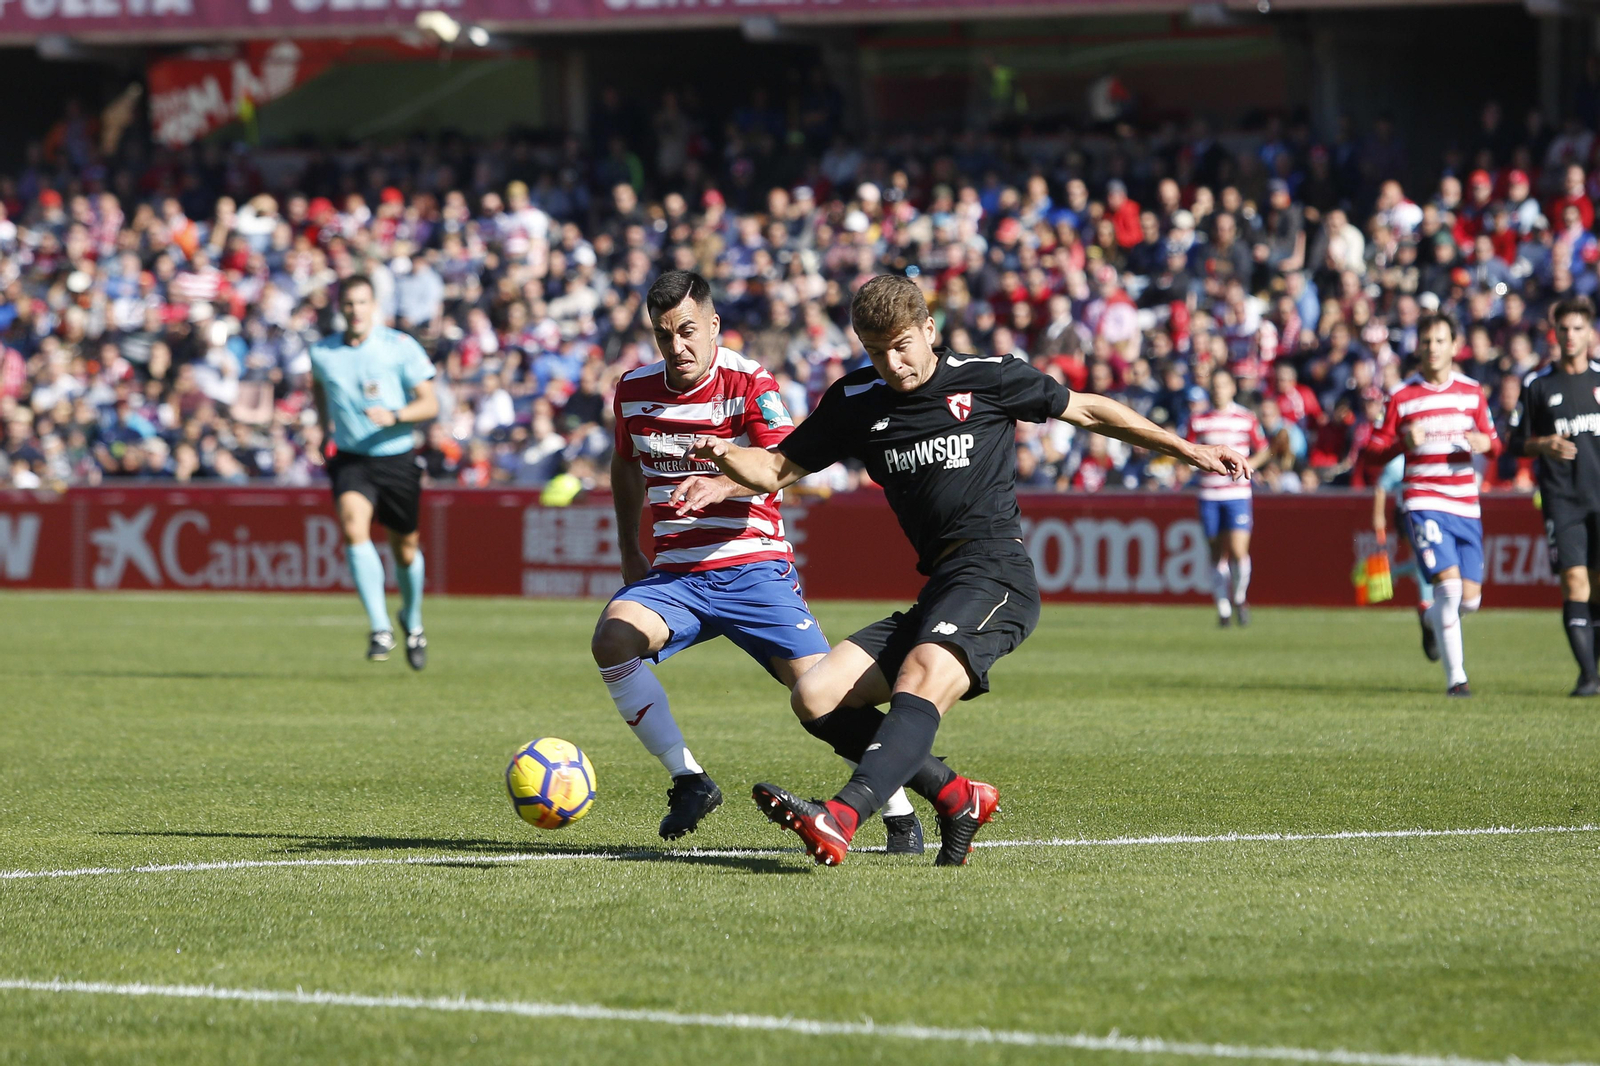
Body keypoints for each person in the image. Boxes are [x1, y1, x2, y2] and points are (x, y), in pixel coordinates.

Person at [691, 274, 1248, 866]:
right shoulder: (854, 400)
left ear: (929, 329)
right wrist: (726, 459)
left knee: (919, 674)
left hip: (996, 573)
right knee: (816, 695)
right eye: (876, 352)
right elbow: (775, 469)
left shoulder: (989, 376)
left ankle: (842, 816)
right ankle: (958, 797)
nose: (892, 364)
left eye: (902, 346)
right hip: (941, 586)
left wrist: (1189, 449)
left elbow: (1088, 410)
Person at [593, 270, 922, 846]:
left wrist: (722, 484)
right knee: (612, 640)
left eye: (688, 331)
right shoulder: (634, 389)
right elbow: (625, 463)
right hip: (676, 576)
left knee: (824, 699)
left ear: (713, 325)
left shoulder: (749, 381)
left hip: (753, 568)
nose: (677, 346)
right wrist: (628, 547)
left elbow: (785, 460)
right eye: (664, 335)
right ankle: (689, 780)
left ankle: (899, 812)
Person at [1365, 314, 1499, 697]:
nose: (1433, 348)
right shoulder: (1401, 395)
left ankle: (1429, 621)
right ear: (1418, 347)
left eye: (1440, 340)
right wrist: (1402, 443)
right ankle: (1457, 680)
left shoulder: (1472, 392)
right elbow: (1372, 451)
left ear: (1455, 346)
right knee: (1450, 589)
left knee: (1470, 601)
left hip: (1466, 503)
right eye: (1426, 341)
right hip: (1423, 500)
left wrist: (1486, 444)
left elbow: (1495, 443)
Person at [308, 275, 438, 667]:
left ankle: (412, 620)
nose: (356, 311)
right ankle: (380, 626)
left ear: (374, 306)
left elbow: (429, 404)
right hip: (351, 458)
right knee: (353, 527)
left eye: (362, 302)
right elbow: (320, 388)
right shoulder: (323, 352)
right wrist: (324, 429)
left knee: (405, 549)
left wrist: (395, 415)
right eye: (349, 304)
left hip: (396, 457)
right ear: (340, 308)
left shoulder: (399, 346)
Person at [1507, 296, 1600, 696]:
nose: (1571, 336)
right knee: (1574, 581)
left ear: (1590, 333)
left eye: (1578, 328)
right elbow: (1514, 441)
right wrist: (1543, 444)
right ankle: (1588, 677)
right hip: (1562, 500)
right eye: (1564, 329)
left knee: (1596, 584)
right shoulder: (1537, 384)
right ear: (1555, 334)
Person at [1186, 368, 1271, 626]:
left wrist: (1247, 465)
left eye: (1223, 385)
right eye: (1214, 385)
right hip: (1209, 494)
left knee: (1238, 550)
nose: (1218, 390)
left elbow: (1263, 450)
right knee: (1215, 552)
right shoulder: (1198, 421)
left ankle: (1239, 597)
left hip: (1237, 494)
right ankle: (1223, 607)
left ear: (1232, 388)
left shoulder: (1246, 418)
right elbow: (1188, 452)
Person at [1372, 453, 1438, 660]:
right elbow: (1382, 487)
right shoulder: (1397, 463)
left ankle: (1391, 574)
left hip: (1433, 512)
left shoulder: (1431, 454)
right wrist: (1378, 516)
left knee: (1425, 561)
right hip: (1408, 514)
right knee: (1423, 559)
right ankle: (1426, 604)